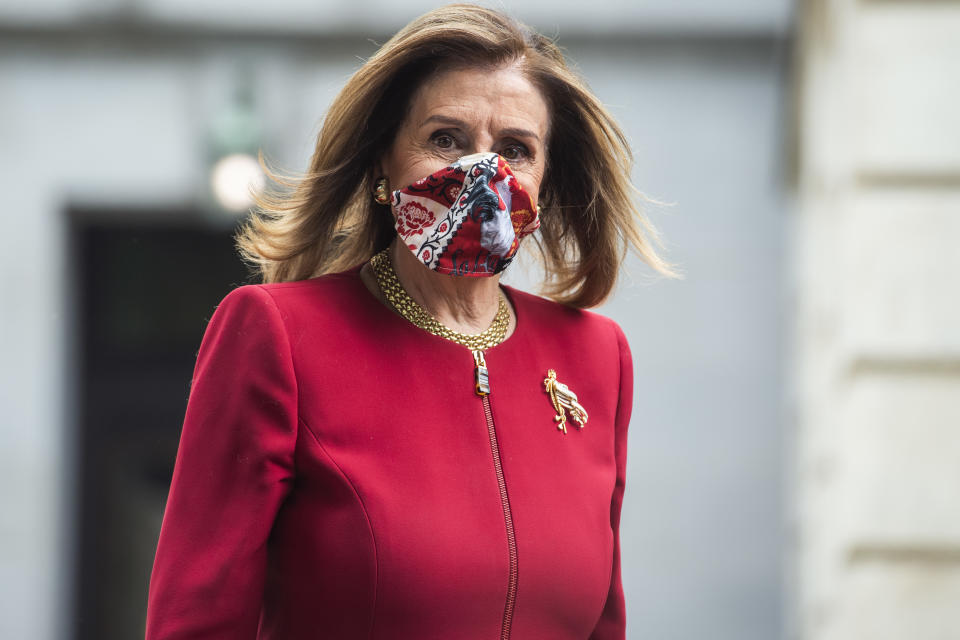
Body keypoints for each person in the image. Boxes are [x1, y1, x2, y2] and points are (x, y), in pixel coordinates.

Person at [145, 4, 678, 639]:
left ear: (546, 180)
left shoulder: (596, 356)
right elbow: (197, 622)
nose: (483, 173)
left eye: (515, 149)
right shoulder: (278, 335)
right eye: (445, 139)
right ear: (382, 162)